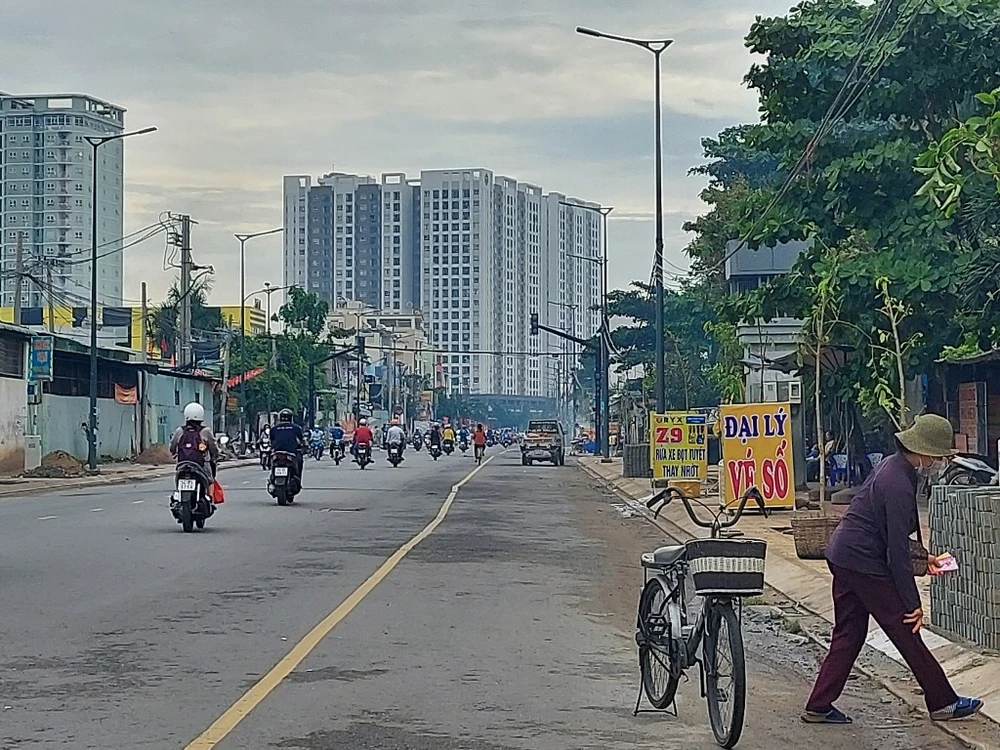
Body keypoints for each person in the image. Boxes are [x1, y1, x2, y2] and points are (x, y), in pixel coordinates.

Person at [803, 414, 982, 725]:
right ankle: (943, 702)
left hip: (844, 554)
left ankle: (818, 705)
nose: (939, 462)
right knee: (905, 628)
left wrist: (923, 557)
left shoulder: (892, 466)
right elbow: (896, 551)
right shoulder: (899, 482)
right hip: (863, 561)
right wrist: (913, 603)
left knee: (849, 632)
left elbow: (888, 533)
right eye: (938, 456)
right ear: (924, 452)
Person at [170, 402, 220, 484]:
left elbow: (172, 446)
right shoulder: (206, 431)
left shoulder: (180, 430)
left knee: (178, 478)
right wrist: (216, 455)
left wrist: (174, 453)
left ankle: (178, 491)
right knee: (210, 481)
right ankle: (210, 492)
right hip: (201, 464)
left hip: (182, 463)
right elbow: (213, 447)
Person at [269, 408, 306, 478]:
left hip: (277, 452)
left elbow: (271, 441)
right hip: (292, 452)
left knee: (272, 462)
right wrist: (304, 447)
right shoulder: (296, 428)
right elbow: (302, 440)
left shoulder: (274, 429)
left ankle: (272, 477)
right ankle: (297, 478)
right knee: (299, 461)